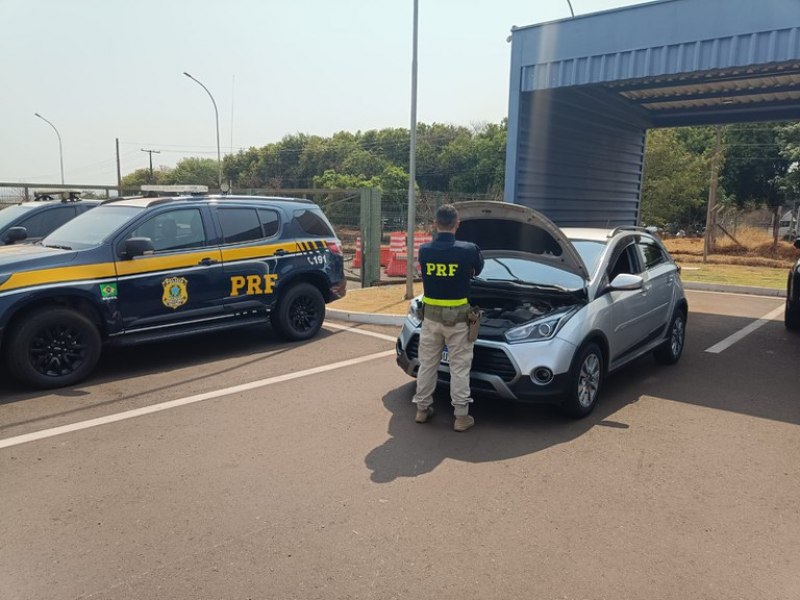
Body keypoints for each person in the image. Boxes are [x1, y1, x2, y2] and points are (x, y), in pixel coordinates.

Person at [412, 204, 484, 432]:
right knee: (459, 368)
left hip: (431, 320)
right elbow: (478, 269)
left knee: (427, 365)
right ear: (457, 224)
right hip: (458, 321)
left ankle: (422, 409)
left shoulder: (424, 251)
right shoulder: (468, 249)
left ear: (435, 224)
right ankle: (461, 417)